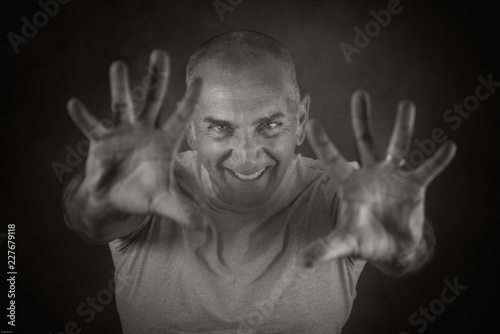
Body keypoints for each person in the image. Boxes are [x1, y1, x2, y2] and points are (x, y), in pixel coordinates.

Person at [62, 30, 456, 334]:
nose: (248, 155)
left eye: (270, 125)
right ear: (191, 130)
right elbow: (93, 221)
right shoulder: (148, 188)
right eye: (220, 128)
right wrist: (96, 202)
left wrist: (403, 246)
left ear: (300, 121)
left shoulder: (341, 194)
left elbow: (400, 245)